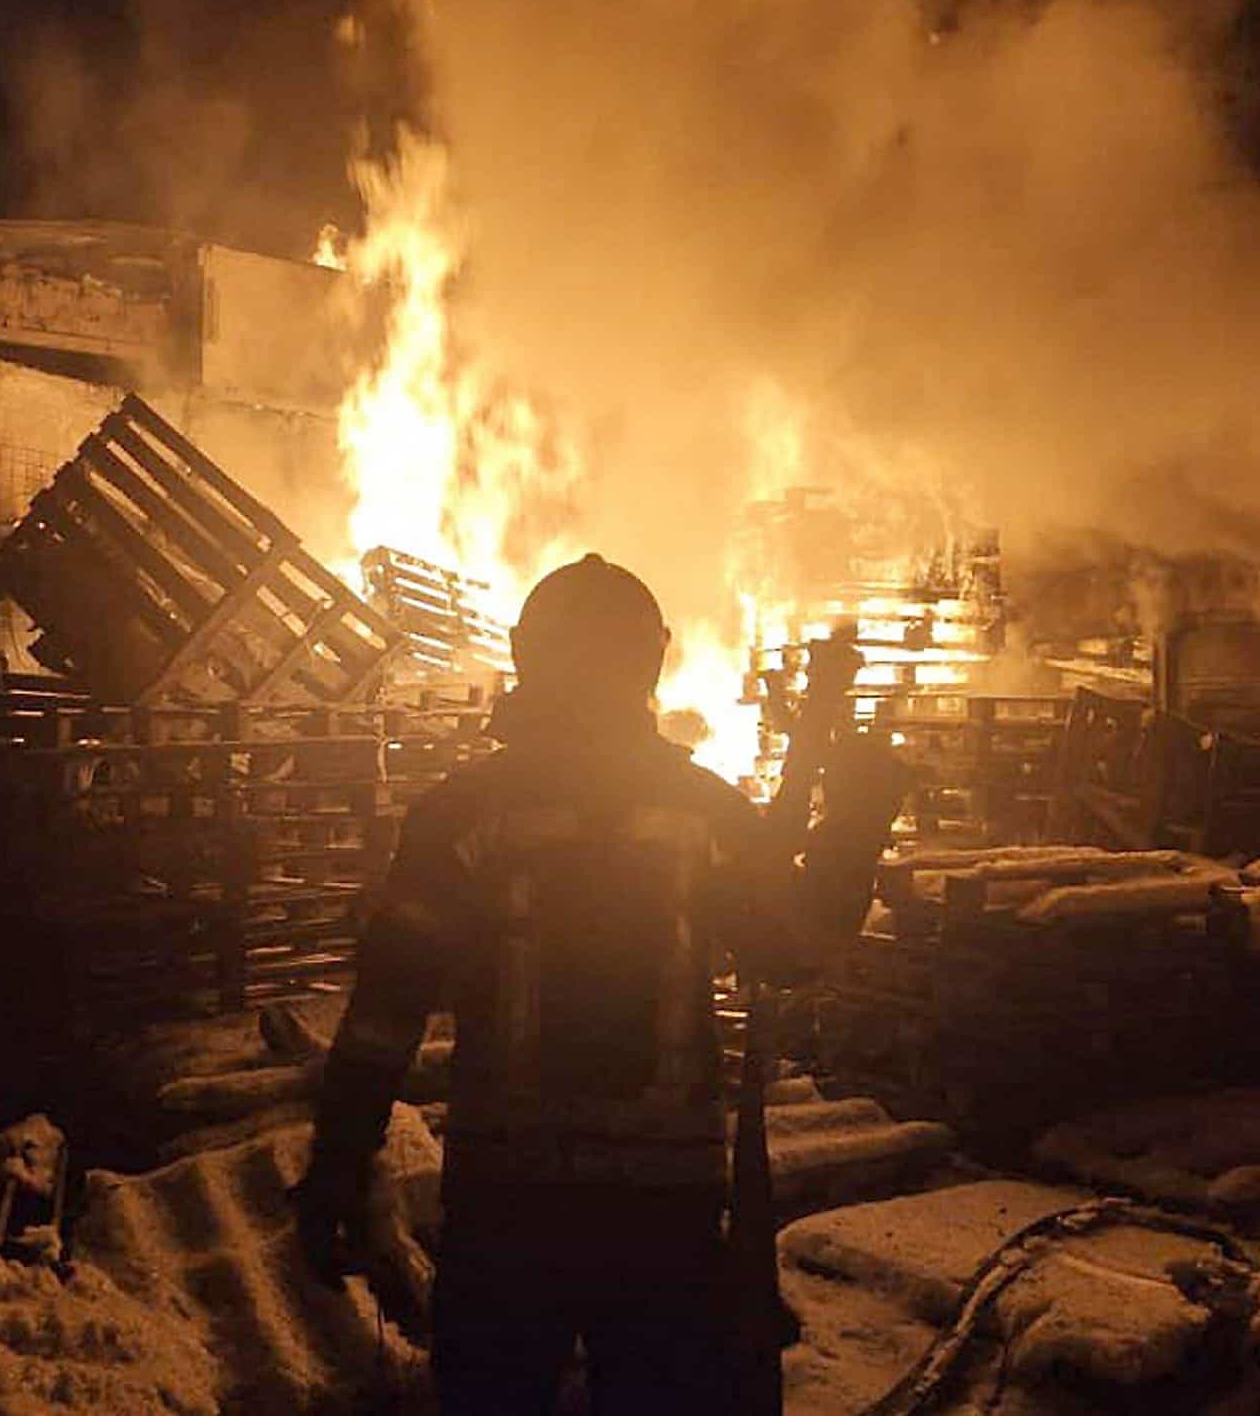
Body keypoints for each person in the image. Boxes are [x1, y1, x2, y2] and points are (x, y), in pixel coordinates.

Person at [292, 554, 898, 1415]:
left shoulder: (459, 816)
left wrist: (340, 1164)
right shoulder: (702, 812)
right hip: (665, 1208)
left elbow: (383, 1017)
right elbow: (794, 949)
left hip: (505, 1200)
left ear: (523, 651)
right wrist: (855, 831)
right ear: (653, 658)